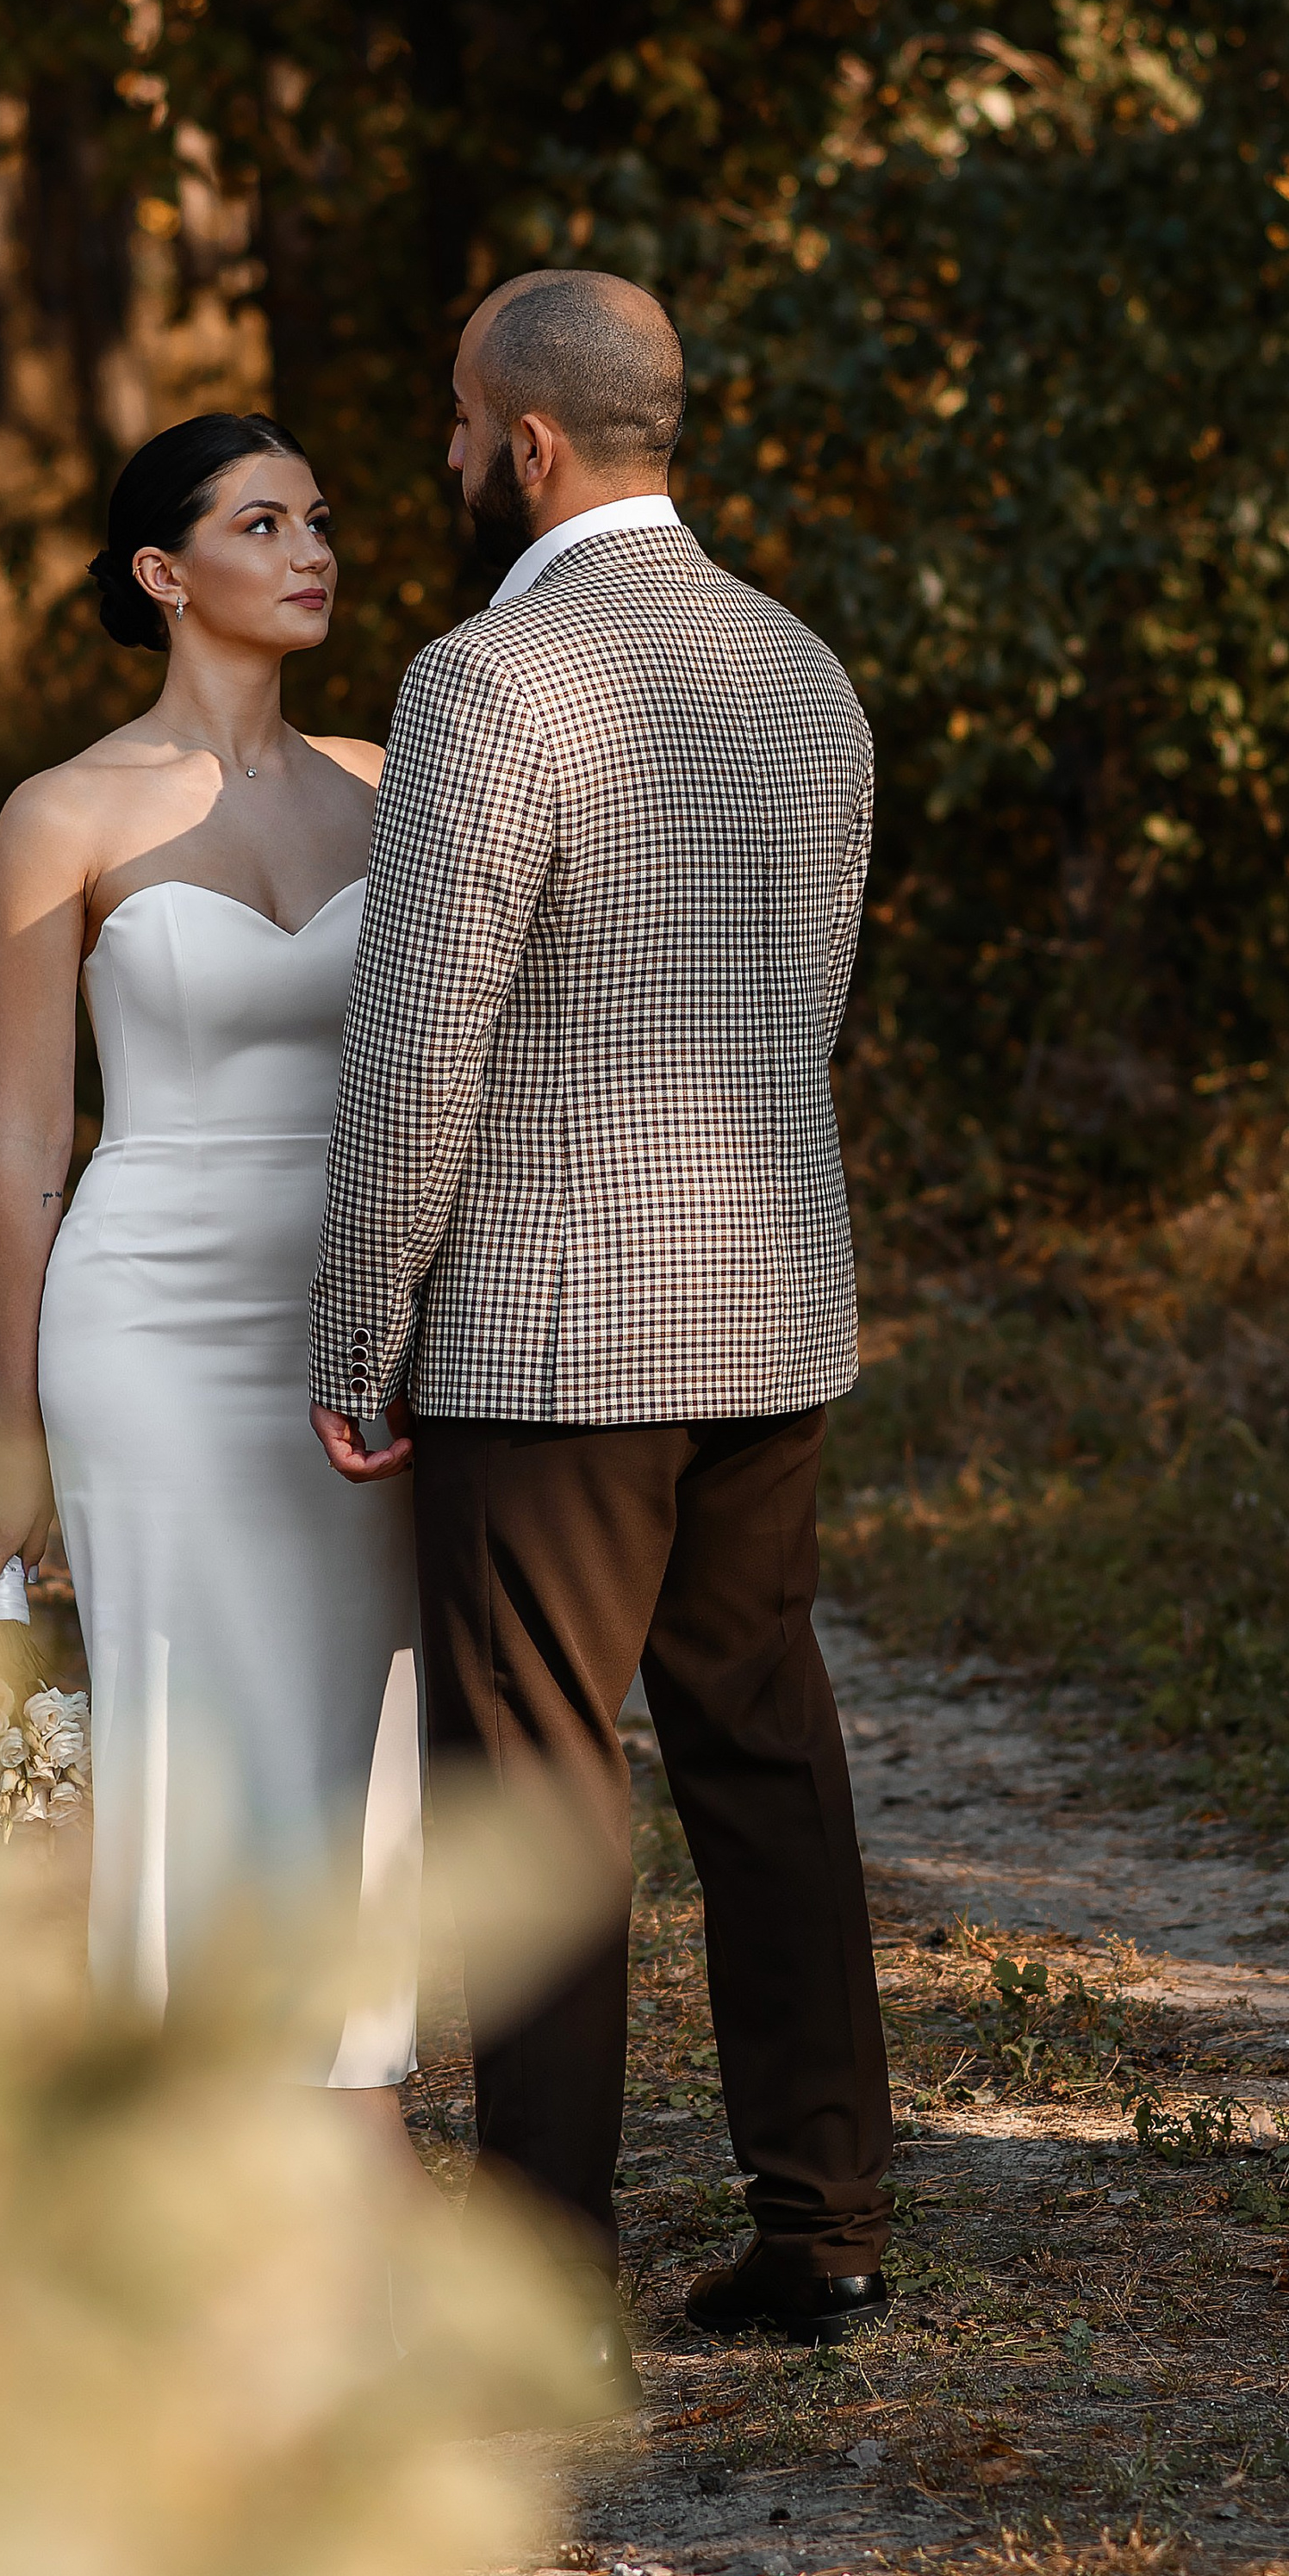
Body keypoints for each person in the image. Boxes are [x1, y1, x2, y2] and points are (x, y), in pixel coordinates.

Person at [309, 270, 893, 2387]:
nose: (452, 455)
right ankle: (822, 2232)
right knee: (763, 1751)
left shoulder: (488, 679)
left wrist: (356, 1328)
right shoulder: (800, 666)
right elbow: (810, 997)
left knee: (536, 1786)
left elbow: (418, 1049)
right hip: (766, 1300)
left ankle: (542, 2272)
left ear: (531, 444)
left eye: (464, 423)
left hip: (548, 1337)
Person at [0, 413, 423, 2168]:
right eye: (263, 523)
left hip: (352, 1318)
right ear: (164, 572)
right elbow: (26, 1139)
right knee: (180, 1711)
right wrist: (7, 1430)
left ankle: (356, 2096)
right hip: (144, 1320)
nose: (313, 552)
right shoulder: (60, 813)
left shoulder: (390, 779)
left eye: (320, 519)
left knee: (355, 1712)